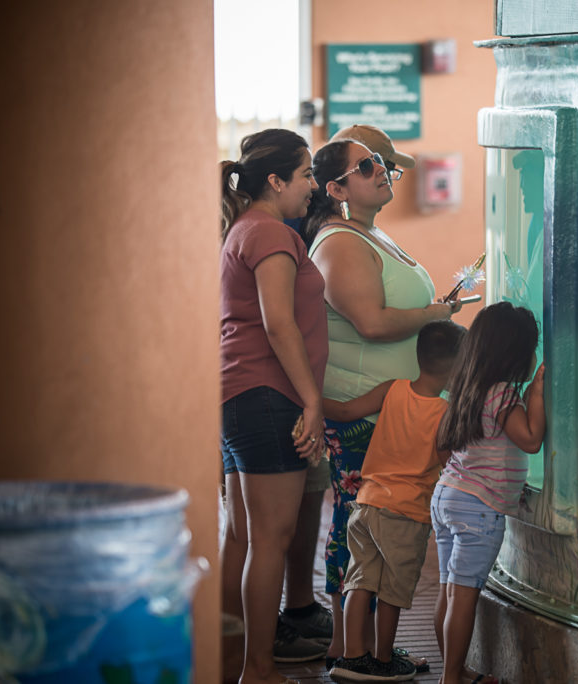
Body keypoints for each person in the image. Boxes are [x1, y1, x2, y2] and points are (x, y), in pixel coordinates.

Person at [303, 126, 462, 666]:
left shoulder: (369, 233)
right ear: (336, 189)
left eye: (381, 162)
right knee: (360, 524)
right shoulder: (339, 242)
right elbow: (370, 322)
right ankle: (350, 648)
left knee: (375, 525)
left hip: (386, 411)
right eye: (367, 166)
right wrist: (437, 314)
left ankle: (369, 646)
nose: (382, 171)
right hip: (359, 412)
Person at [219, 128, 329, 684]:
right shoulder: (269, 233)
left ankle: (231, 660)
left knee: (244, 537)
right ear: (275, 180)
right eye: (306, 174)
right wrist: (311, 401)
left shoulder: (244, 228)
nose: (313, 186)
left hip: (242, 396)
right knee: (270, 540)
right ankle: (258, 668)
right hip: (269, 396)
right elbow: (278, 322)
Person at [330, 320, 467, 682]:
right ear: (456, 368)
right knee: (392, 589)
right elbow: (448, 461)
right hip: (405, 514)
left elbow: (346, 412)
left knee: (359, 579)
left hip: (366, 503)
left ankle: (352, 657)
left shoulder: (393, 389)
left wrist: (309, 403)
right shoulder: (445, 412)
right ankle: (383, 659)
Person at [431, 302, 547, 684]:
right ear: (514, 355)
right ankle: (451, 677)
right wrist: (536, 394)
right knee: (463, 596)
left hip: (447, 495)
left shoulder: (468, 389)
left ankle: (454, 668)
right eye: (531, 349)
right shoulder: (502, 395)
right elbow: (530, 439)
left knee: (449, 591)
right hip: (477, 509)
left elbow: (449, 445)